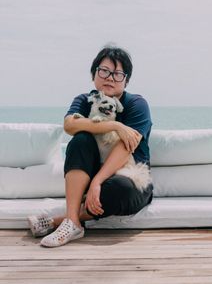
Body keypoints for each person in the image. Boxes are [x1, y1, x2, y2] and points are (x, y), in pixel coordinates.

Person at [27, 45, 153, 247]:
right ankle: (74, 225)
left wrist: (97, 183)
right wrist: (115, 125)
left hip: (129, 178)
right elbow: (69, 124)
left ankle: (60, 220)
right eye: (104, 71)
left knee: (121, 189)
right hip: (90, 177)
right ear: (94, 74)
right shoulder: (84, 100)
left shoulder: (136, 104)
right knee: (81, 138)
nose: (110, 77)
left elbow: (125, 147)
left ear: (126, 80)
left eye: (118, 74)